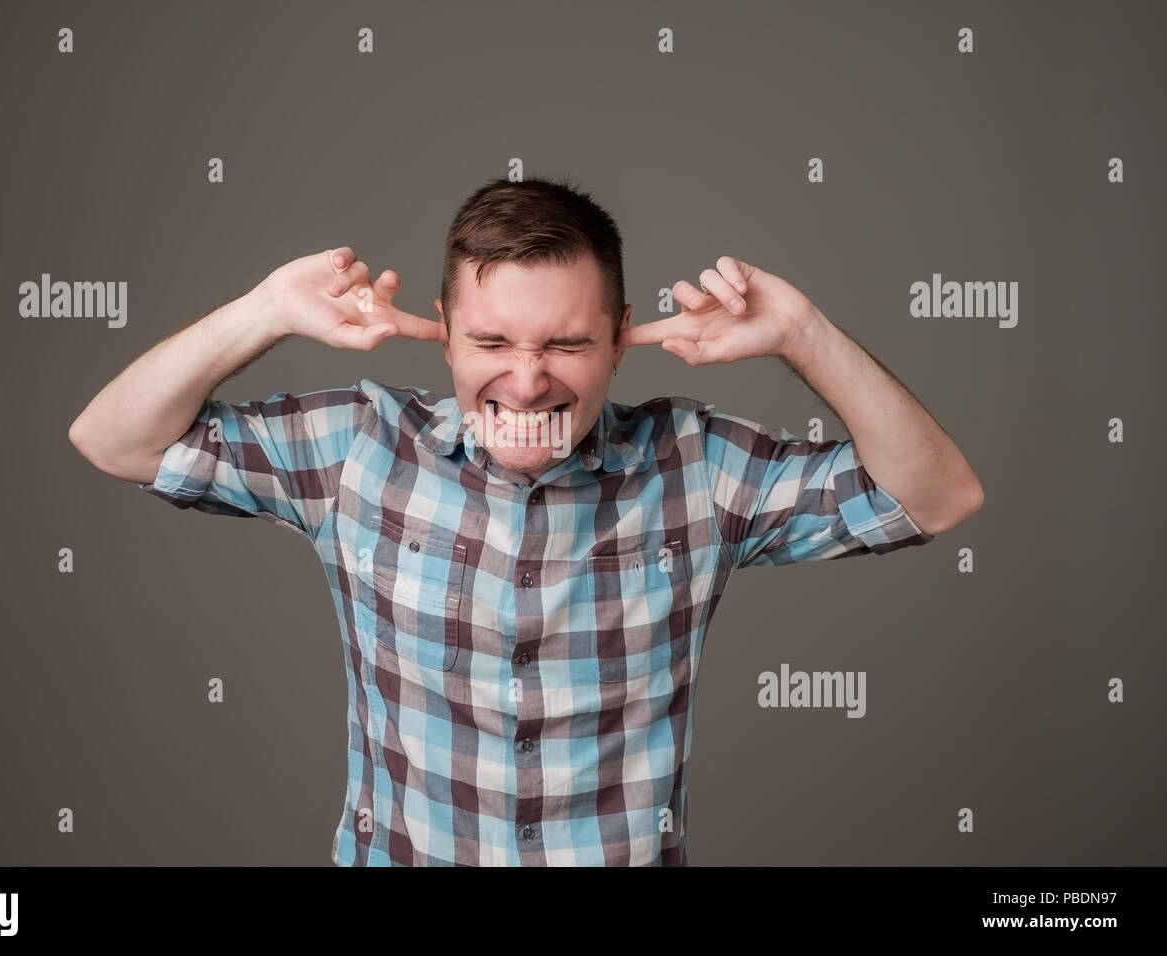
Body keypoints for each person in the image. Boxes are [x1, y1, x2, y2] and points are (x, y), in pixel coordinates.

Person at [68, 175, 984, 866]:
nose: (527, 378)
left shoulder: (695, 467)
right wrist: (264, 311)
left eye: (568, 343)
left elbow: (937, 494)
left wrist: (803, 333)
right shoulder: (358, 447)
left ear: (623, 336)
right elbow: (115, 440)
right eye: (494, 341)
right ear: (444, 331)